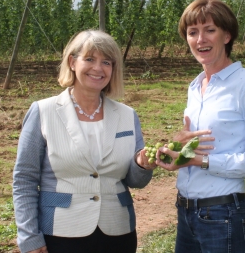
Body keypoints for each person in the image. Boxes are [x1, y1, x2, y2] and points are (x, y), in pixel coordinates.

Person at [13, 30, 156, 253]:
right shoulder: (44, 111)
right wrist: (29, 236)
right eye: (89, 59)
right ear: (72, 62)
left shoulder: (127, 115)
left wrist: (142, 165)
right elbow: (24, 180)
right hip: (61, 232)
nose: (98, 68)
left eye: (106, 62)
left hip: (118, 232)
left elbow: (135, 180)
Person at [156, 0, 245, 253]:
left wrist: (201, 161)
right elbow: (198, 144)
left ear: (227, 36)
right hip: (186, 212)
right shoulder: (196, 85)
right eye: (192, 32)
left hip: (224, 216)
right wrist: (178, 150)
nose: (200, 39)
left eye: (210, 30)